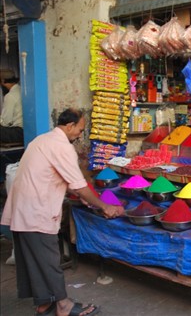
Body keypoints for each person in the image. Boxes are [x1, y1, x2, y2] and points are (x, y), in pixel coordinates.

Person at [0, 108, 125, 316]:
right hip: (36, 210)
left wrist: (84, 198)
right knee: (48, 261)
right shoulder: (62, 147)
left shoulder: (42, 140)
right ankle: (63, 306)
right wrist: (104, 205)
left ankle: (43, 305)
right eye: (80, 129)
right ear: (69, 126)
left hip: (22, 209)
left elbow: (54, 176)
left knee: (33, 260)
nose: (80, 135)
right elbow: (78, 185)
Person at [0, 77, 24, 144]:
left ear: (3, 80)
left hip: (18, 132)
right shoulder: (22, 90)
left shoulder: (10, 96)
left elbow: (6, 122)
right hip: (24, 130)